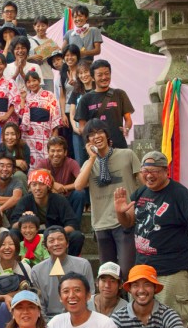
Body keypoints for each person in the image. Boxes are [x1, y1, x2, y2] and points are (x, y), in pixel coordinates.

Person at [114, 150, 188, 326]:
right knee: (145, 322)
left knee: (174, 321)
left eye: (154, 171)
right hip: (144, 269)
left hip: (172, 270)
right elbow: (128, 222)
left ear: (165, 171)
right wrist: (119, 212)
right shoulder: (141, 193)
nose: (149, 176)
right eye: (145, 171)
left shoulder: (178, 193)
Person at [74, 118, 140, 282]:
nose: (96, 136)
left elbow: (143, 183)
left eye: (99, 132)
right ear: (87, 141)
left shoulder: (127, 155)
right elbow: (78, 186)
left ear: (106, 134)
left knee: (126, 273)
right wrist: (91, 159)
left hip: (124, 222)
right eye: (91, 134)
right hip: (101, 224)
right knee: (108, 277)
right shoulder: (90, 164)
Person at [10, 169, 85, 257]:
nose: (37, 188)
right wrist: (23, 220)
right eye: (34, 185)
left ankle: (69, 262)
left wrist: (57, 233)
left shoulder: (59, 200)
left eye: (41, 184)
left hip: (55, 234)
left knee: (77, 236)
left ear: (48, 186)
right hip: (32, 234)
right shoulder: (25, 201)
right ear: (30, 187)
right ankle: (19, 263)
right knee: (13, 233)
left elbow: (72, 225)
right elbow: (13, 224)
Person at [30, 226, 93, 318]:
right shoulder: (37, 270)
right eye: (51, 241)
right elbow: (39, 304)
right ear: (45, 246)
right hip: (50, 318)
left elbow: (90, 296)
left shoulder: (83, 264)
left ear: (67, 243)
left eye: (60, 239)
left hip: (79, 316)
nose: (56, 243)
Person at [75, 59, 134, 149]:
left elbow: (128, 119)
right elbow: (82, 126)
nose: (104, 77)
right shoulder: (85, 99)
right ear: (93, 77)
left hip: (119, 145)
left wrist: (126, 128)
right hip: (98, 148)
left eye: (107, 74)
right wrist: (92, 141)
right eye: (100, 75)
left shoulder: (120, 94)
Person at [38, 136, 86, 224]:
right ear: (48, 152)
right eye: (52, 151)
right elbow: (34, 180)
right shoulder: (43, 163)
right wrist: (53, 184)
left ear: (65, 152)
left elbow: (83, 182)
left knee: (80, 193)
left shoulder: (71, 163)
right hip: (50, 199)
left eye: (59, 150)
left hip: (68, 198)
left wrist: (64, 187)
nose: (56, 154)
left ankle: (74, 226)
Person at [20, 71, 62, 168]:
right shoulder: (26, 97)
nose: (32, 84)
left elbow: (55, 116)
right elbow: (22, 114)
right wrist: (22, 99)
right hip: (30, 134)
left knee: (47, 158)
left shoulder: (49, 95)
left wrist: (55, 135)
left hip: (45, 132)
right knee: (30, 159)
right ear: (26, 84)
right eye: (28, 82)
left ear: (39, 81)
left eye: (34, 80)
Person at [0, 230, 32, 295]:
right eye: (2, 244)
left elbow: (31, 292)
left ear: (17, 248)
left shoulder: (25, 268)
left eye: (11, 244)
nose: (7, 247)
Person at [56, 45, 82, 157]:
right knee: (68, 143)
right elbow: (62, 96)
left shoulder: (83, 71)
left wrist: (76, 85)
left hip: (80, 109)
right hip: (67, 111)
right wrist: (62, 114)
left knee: (80, 141)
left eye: (72, 55)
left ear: (77, 56)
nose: (69, 58)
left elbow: (88, 90)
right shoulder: (63, 72)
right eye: (66, 55)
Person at [68, 60, 95, 165]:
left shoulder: (97, 89)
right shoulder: (76, 91)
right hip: (78, 133)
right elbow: (72, 113)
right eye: (80, 73)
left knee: (95, 161)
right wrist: (75, 127)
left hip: (94, 132)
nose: (84, 75)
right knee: (80, 162)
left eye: (86, 72)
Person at [0, 121, 30, 188]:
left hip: (18, 178)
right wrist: (15, 162)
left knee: (19, 175)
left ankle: (22, 197)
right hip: (2, 177)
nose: (10, 137)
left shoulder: (24, 147)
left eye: (13, 134)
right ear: (3, 136)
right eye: (7, 134)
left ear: (18, 135)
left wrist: (10, 166)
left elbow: (25, 168)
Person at [28, 15, 59, 83]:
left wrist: (58, 52)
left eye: (43, 25)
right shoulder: (29, 42)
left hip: (48, 75)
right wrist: (32, 57)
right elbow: (23, 59)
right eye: (38, 26)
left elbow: (57, 60)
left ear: (47, 26)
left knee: (49, 94)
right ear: (34, 27)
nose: (40, 28)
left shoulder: (52, 43)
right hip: (33, 76)